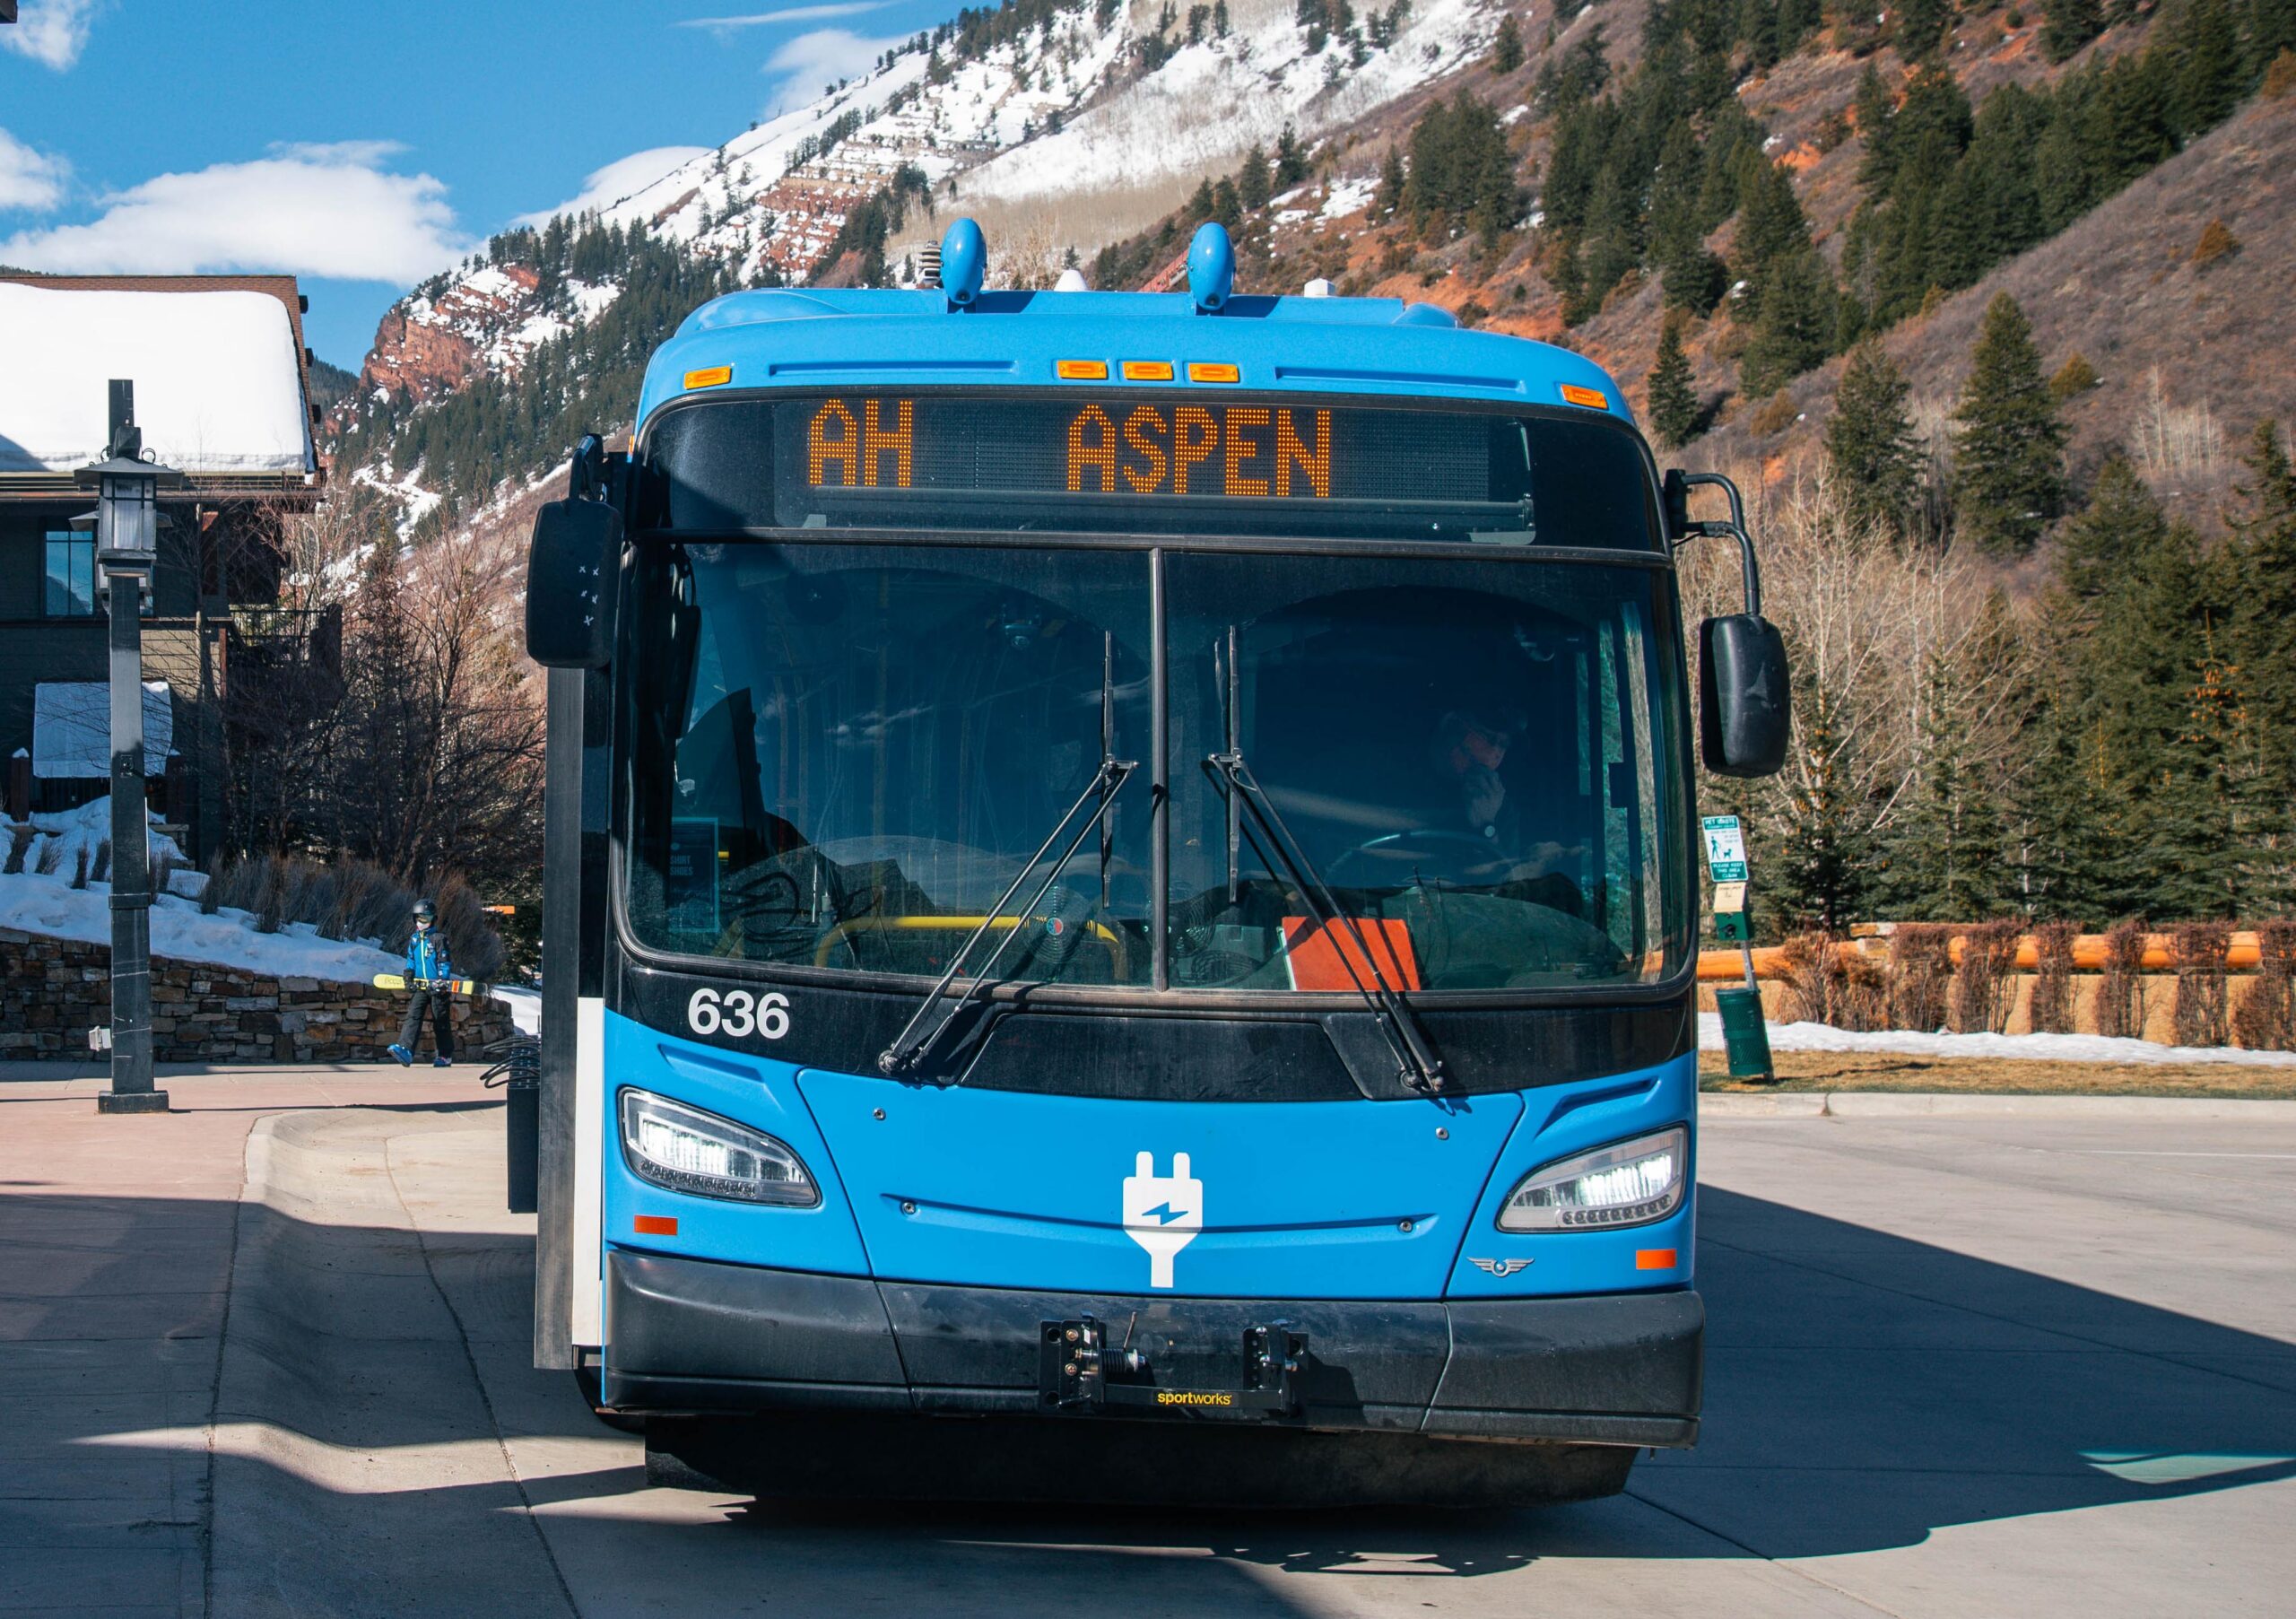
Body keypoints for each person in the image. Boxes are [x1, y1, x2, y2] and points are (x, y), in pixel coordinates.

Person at [387, 899, 457, 1068]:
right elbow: (411, 960)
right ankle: (406, 1049)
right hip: (421, 985)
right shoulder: (414, 940)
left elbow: (444, 961)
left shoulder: (439, 938)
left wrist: (443, 980)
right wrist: (408, 975)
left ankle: (445, 1055)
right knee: (413, 1015)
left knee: (440, 1020)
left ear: (433, 920)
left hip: (437, 986)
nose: (421, 923)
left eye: (425, 919)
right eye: (418, 918)